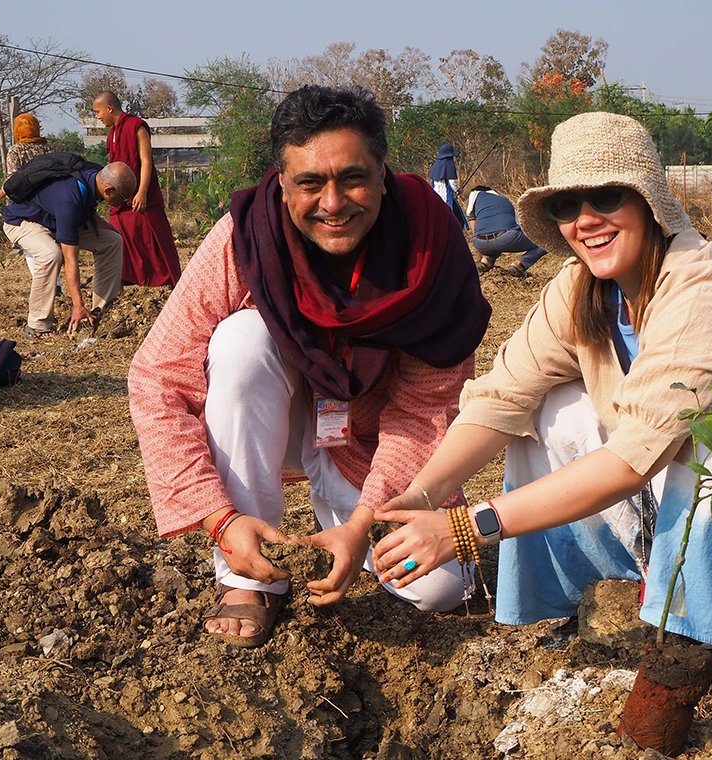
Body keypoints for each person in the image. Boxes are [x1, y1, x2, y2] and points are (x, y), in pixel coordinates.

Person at [371, 112, 712, 676]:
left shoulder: (705, 280)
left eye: (605, 196)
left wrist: (467, 526)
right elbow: (499, 398)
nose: (585, 220)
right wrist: (426, 495)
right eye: (566, 206)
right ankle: (594, 596)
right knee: (551, 407)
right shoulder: (579, 291)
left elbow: (630, 461)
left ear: (647, 203)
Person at [127, 85, 491, 648]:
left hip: (366, 437)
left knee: (441, 587)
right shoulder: (246, 237)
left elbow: (425, 411)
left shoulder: (429, 246)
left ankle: (338, 528)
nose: (333, 203)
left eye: (352, 178)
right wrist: (217, 521)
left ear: (382, 172)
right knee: (243, 340)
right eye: (309, 183)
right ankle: (246, 577)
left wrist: (364, 519)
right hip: (284, 413)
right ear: (281, 182)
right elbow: (158, 377)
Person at [1, 161, 136, 336]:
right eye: (122, 198)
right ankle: (37, 324)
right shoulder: (69, 199)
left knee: (112, 240)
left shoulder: (95, 175)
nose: (123, 203)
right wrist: (78, 305)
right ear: (109, 190)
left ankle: (102, 310)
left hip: (57, 220)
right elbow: (70, 258)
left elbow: (87, 207)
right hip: (24, 221)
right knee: (50, 254)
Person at [92, 91, 182, 288]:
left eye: (98, 112)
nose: (98, 117)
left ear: (109, 108)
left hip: (141, 190)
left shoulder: (136, 126)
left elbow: (145, 160)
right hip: (119, 194)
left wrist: (141, 191)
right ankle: (128, 277)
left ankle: (162, 279)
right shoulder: (113, 132)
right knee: (120, 232)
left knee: (149, 234)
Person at [0, 113, 58, 278]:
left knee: (31, 245)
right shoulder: (47, 148)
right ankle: (56, 284)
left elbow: (13, 181)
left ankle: (46, 283)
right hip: (49, 204)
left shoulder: (16, 150)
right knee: (50, 244)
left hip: (25, 206)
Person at [466, 185, 548, 277]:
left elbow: (475, 231)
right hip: (507, 238)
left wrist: (481, 250)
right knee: (545, 242)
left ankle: (485, 261)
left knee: (491, 242)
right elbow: (520, 224)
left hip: (481, 243)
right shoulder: (504, 200)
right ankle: (519, 264)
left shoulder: (472, 201)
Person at [428, 143, 468, 229]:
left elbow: (431, 180)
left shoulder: (436, 164)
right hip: (446, 195)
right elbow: (452, 181)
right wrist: (457, 190)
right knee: (452, 217)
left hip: (435, 195)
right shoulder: (449, 163)